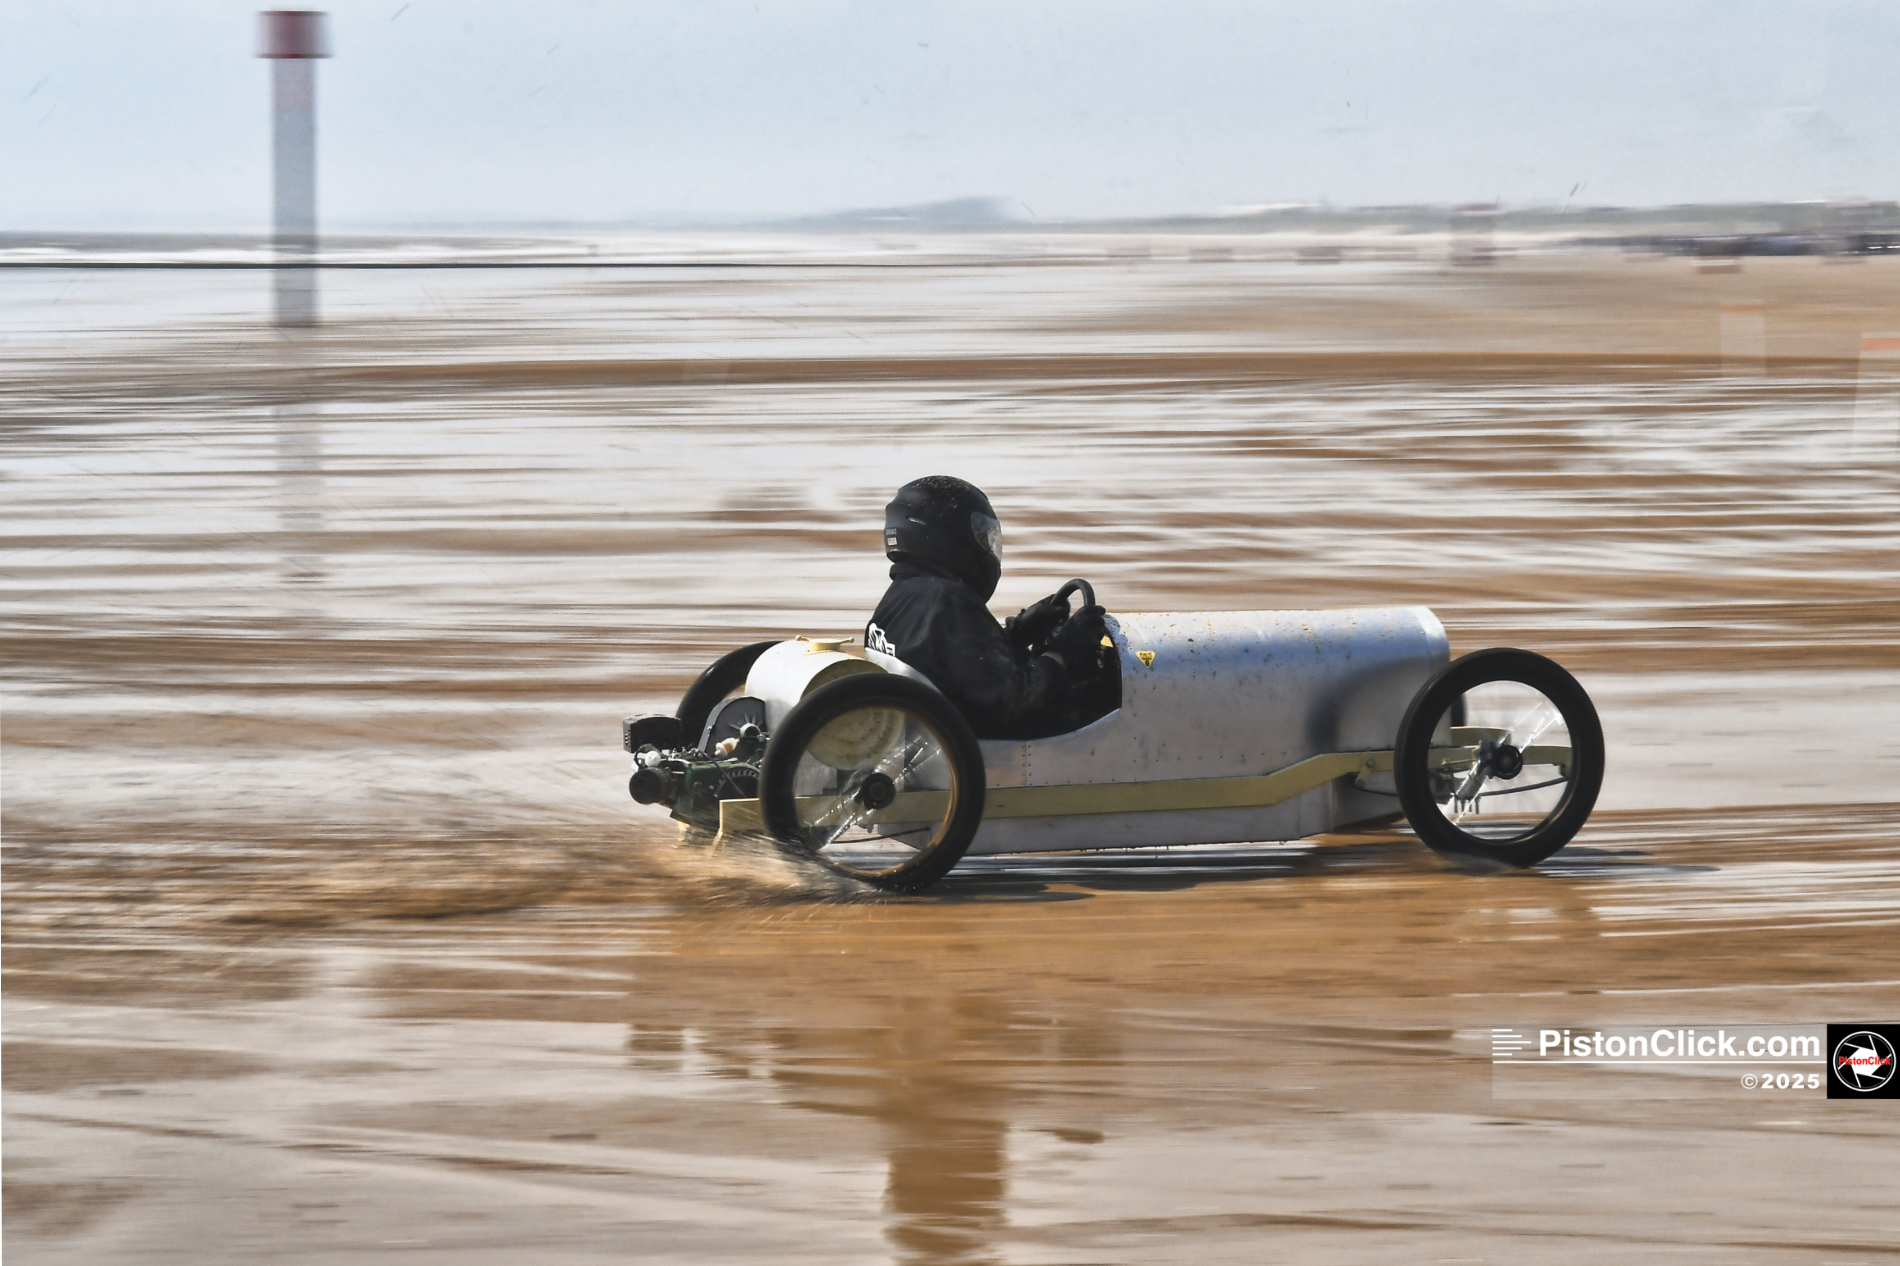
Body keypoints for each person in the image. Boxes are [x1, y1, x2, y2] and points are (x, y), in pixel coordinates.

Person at [864, 475, 1110, 740]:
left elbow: (960, 665)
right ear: (948, 536)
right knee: (1102, 692)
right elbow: (1016, 698)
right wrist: (1063, 650)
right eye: (980, 534)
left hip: (931, 741)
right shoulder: (950, 601)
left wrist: (1017, 633)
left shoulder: (899, 600)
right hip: (986, 747)